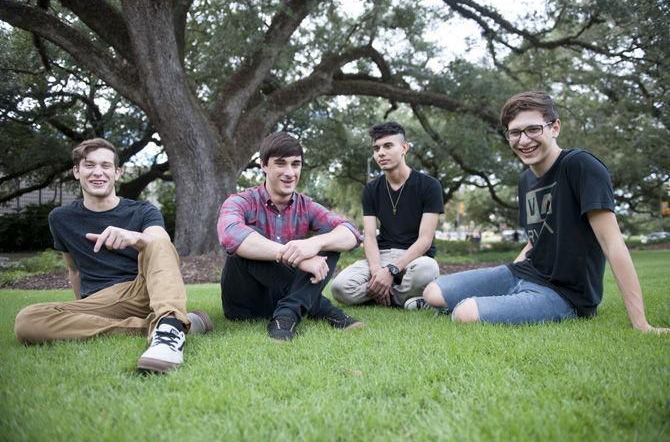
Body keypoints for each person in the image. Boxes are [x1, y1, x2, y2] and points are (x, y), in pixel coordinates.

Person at [423, 91, 669, 332]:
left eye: (533, 129)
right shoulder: (525, 180)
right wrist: (508, 277)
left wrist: (641, 323)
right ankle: (509, 296)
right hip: (525, 272)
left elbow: (613, 244)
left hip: (565, 293)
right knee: (433, 292)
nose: (524, 140)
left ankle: (501, 303)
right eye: (515, 133)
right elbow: (535, 240)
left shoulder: (580, 166)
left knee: (465, 313)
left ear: (555, 128)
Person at [14, 138, 213, 373]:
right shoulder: (60, 218)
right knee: (28, 320)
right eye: (89, 165)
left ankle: (168, 330)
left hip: (142, 290)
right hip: (100, 301)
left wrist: (134, 237)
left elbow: (161, 243)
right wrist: (83, 312)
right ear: (76, 171)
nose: (98, 172)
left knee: (158, 242)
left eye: (106, 166)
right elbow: (74, 269)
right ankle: (174, 325)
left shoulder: (142, 211)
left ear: (117, 173)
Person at [217, 132, 363, 341]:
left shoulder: (306, 205)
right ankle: (321, 307)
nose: (289, 172)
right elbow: (230, 235)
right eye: (280, 164)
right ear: (263, 165)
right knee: (251, 236)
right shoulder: (241, 201)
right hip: (245, 304)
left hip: (285, 296)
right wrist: (295, 257)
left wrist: (314, 243)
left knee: (330, 238)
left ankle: (287, 315)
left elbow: (351, 233)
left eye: (296, 164)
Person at [330, 122, 444, 309]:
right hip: (381, 255)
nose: (381, 153)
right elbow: (369, 236)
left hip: (414, 257)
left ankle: (383, 294)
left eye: (388, 146)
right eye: (376, 148)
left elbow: (425, 240)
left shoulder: (430, 186)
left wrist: (391, 271)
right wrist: (377, 272)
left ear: (404, 148)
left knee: (427, 269)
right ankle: (403, 298)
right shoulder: (371, 190)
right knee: (340, 288)